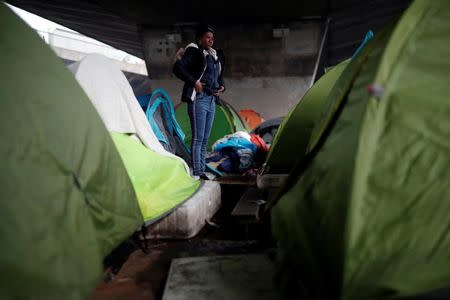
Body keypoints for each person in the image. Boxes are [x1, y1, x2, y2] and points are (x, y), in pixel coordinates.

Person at [173, 24, 225, 179]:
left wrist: (222, 87)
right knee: (198, 138)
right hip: (199, 100)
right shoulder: (195, 53)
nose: (211, 40)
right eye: (207, 37)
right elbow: (178, 68)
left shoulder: (214, 56)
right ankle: (197, 173)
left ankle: (201, 170)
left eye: (212, 38)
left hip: (211, 100)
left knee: (205, 139)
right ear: (200, 38)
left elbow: (218, 77)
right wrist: (194, 82)